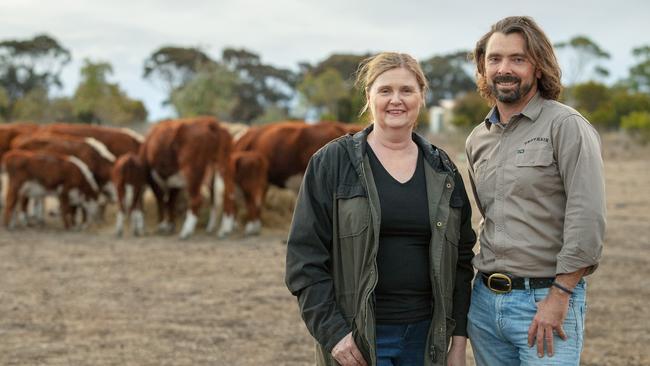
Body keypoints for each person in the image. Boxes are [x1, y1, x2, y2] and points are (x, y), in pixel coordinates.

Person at [285, 52, 476, 366]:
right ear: (368, 96)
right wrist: (333, 332)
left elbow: (462, 261)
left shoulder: (443, 169)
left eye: (406, 90)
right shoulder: (333, 163)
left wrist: (456, 342)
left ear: (421, 97)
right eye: (385, 90)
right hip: (358, 339)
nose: (395, 100)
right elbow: (304, 258)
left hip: (426, 338)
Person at [465, 16, 606, 366]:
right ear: (483, 68)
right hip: (484, 304)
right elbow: (488, 215)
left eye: (518, 59)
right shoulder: (476, 139)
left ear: (539, 67)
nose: (504, 69)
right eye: (494, 59)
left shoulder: (567, 126)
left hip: (545, 301)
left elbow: (587, 218)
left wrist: (560, 295)